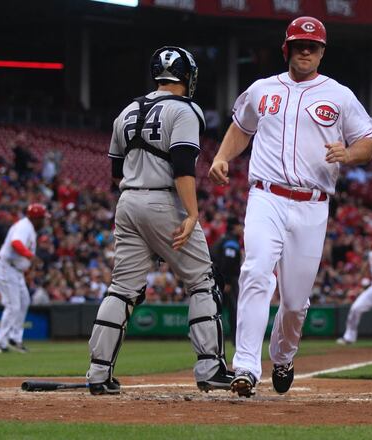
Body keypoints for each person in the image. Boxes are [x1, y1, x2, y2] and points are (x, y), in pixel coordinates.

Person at [208, 16, 372, 397]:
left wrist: (349, 153)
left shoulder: (339, 95)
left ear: (321, 52)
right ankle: (246, 366)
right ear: (286, 48)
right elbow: (241, 128)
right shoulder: (262, 89)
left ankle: (283, 357)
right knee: (254, 273)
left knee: (295, 303)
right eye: (299, 44)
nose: (305, 50)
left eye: (312, 45)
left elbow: (368, 141)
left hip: (312, 205)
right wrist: (222, 156)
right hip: (266, 195)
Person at [86, 46, 232, 396]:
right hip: (163, 201)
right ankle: (210, 367)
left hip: (128, 201)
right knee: (202, 282)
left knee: (122, 288)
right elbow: (183, 167)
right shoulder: (185, 110)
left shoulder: (126, 111)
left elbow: (114, 175)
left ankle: (98, 373)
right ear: (187, 76)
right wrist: (192, 213)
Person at [0, 203, 47, 354]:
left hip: (15, 269)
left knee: (24, 301)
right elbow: (15, 243)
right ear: (36, 218)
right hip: (5, 266)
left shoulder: (29, 227)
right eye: (42, 218)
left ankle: (14, 338)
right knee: (13, 306)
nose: (44, 221)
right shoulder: (24, 226)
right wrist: (31, 257)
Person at [210, 216, 243, 345]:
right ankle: (235, 341)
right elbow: (227, 263)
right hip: (226, 281)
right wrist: (227, 282)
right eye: (240, 225)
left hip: (215, 278)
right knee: (233, 312)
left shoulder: (223, 239)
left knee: (216, 311)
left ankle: (214, 340)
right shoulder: (231, 242)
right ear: (235, 227)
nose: (243, 228)